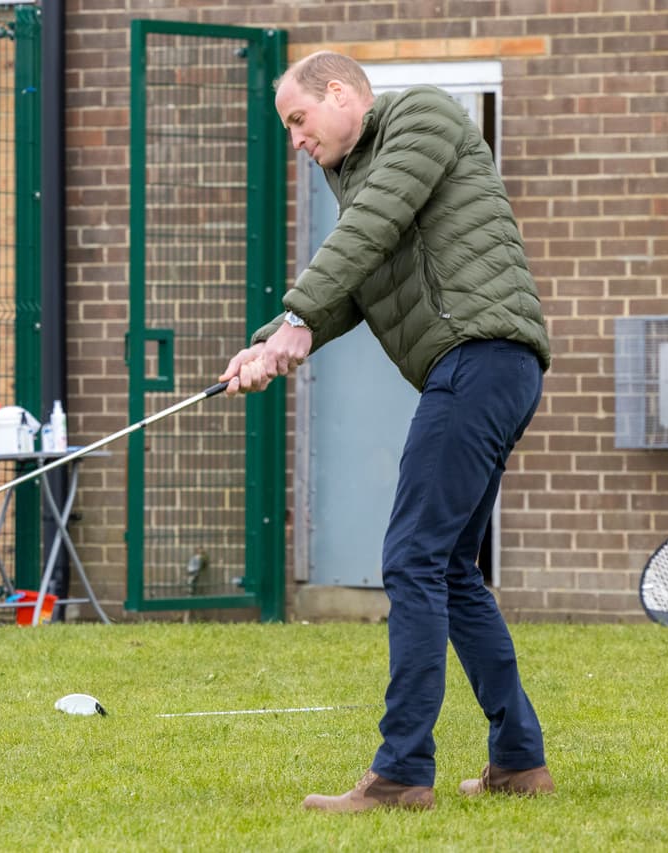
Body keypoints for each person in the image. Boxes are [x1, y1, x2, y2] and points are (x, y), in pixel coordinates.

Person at [220, 51, 555, 811]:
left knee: (410, 557)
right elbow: (353, 284)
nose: (297, 141)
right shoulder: (359, 179)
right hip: (481, 368)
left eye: (298, 121)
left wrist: (297, 317)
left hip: (481, 357)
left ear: (340, 93)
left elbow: (369, 230)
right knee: (448, 567)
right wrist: (268, 341)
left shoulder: (423, 116)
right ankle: (518, 758)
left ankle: (402, 770)